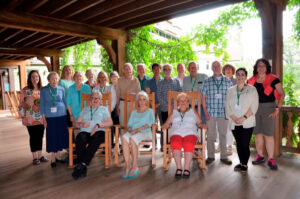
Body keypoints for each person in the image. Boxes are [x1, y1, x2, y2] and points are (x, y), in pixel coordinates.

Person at [248, 58, 285, 170]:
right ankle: (260, 155)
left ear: (267, 67)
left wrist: (277, 109)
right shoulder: (251, 80)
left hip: (269, 108)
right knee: (258, 133)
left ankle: (271, 158)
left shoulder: (274, 79)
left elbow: (282, 94)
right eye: (259, 65)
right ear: (256, 68)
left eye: (263, 65)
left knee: (268, 135)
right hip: (255, 109)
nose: (261, 68)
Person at [71, 90, 113, 180]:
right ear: (90, 99)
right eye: (93, 98)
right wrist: (82, 124)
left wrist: (98, 125)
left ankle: (81, 164)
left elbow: (110, 122)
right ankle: (83, 165)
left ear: (100, 100)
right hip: (86, 132)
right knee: (80, 137)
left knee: (97, 137)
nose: (95, 100)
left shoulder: (104, 109)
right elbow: (76, 123)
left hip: (99, 131)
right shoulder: (85, 109)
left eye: (97, 98)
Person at [162, 93, 203, 178]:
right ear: (178, 102)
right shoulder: (174, 111)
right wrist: (165, 125)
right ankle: (179, 168)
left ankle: (187, 168)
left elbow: (199, 123)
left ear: (188, 102)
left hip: (190, 133)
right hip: (176, 133)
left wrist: (202, 125)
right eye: (181, 100)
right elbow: (167, 122)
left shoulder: (193, 111)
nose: (183, 102)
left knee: (188, 144)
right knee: (175, 143)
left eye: (185, 100)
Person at [225, 68, 259, 172]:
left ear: (246, 77)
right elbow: (227, 106)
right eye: (238, 74)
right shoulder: (230, 90)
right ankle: (241, 163)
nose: (240, 77)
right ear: (236, 76)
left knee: (245, 144)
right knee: (239, 144)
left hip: (247, 121)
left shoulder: (252, 89)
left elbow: (254, 106)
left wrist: (243, 118)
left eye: (242, 75)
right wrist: (234, 118)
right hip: (234, 122)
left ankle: (245, 163)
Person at [202, 61, 232, 165]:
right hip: (210, 112)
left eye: (218, 66)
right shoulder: (207, 81)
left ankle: (224, 157)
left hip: (223, 113)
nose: (216, 68)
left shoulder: (228, 81)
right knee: (210, 135)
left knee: (223, 135)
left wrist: (229, 112)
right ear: (211, 68)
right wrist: (205, 112)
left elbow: (231, 98)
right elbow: (203, 98)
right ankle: (210, 156)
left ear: (221, 67)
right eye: (214, 66)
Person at [121, 91, 155, 179]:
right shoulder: (134, 112)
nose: (142, 101)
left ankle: (135, 166)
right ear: (137, 101)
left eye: (144, 99)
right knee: (124, 137)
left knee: (132, 138)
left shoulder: (150, 111)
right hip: (134, 132)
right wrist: (130, 129)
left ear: (147, 101)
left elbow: (151, 123)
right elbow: (129, 125)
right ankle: (127, 166)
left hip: (145, 132)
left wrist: (136, 130)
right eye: (140, 99)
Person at [19, 70, 48, 165]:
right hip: (30, 118)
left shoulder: (42, 90)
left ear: (39, 78)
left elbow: (46, 104)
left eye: (36, 76)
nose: (35, 78)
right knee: (33, 137)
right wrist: (23, 117)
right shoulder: (25, 90)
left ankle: (40, 155)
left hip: (41, 117)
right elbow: (21, 104)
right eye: (33, 76)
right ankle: (35, 157)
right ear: (30, 78)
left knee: (40, 136)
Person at [40, 72, 68, 167]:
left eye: (56, 79)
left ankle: (59, 156)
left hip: (62, 115)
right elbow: (42, 104)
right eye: (52, 79)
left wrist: (69, 114)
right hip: (50, 117)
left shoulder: (61, 89)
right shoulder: (44, 90)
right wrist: (43, 119)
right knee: (52, 135)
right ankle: (53, 157)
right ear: (48, 80)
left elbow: (64, 101)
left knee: (60, 134)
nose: (54, 81)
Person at [157, 64, 181, 150]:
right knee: (165, 128)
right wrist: (167, 105)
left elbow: (180, 94)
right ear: (163, 71)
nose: (167, 71)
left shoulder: (176, 82)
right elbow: (159, 95)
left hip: (175, 109)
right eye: (165, 69)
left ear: (171, 70)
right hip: (164, 109)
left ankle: (174, 146)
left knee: (175, 128)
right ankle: (165, 147)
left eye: (169, 69)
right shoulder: (160, 83)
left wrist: (174, 105)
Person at [216, 64, 237, 155]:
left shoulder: (236, 80)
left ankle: (229, 146)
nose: (228, 71)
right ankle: (220, 145)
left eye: (230, 69)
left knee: (229, 127)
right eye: (226, 69)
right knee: (219, 127)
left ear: (233, 71)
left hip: (232, 107)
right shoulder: (220, 80)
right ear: (223, 71)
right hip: (220, 107)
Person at [94, 71, 117, 147]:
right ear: (98, 79)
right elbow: (93, 100)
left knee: (109, 123)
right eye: (101, 77)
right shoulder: (95, 88)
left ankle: (110, 145)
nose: (103, 78)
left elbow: (114, 100)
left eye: (104, 77)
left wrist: (107, 111)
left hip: (109, 110)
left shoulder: (111, 87)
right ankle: (102, 145)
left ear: (107, 78)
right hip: (98, 111)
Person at [116, 63, 141, 133]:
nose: (128, 70)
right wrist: (117, 106)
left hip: (133, 104)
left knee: (133, 123)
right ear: (123, 70)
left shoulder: (136, 80)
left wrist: (135, 95)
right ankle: (123, 142)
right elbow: (117, 94)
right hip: (122, 103)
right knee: (123, 123)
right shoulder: (119, 80)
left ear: (132, 70)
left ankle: (133, 141)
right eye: (126, 69)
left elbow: (139, 94)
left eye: (129, 69)